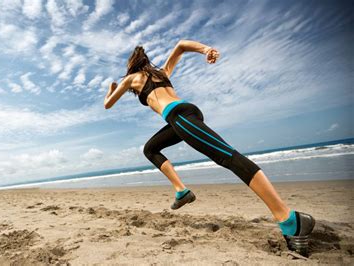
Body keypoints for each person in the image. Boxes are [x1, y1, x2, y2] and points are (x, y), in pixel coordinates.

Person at [103, 39, 315, 255]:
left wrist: (110, 89)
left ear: (132, 66)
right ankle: (181, 191)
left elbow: (108, 104)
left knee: (228, 157)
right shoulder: (163, 73)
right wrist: (207, 50)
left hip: (179, 117)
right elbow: (181, 46)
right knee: (150, 149)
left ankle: (289, 219)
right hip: (184, 115)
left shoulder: (131, 78)